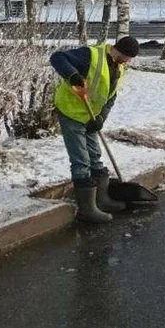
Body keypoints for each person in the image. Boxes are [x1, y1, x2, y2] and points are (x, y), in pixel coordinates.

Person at [50, 36, 141, 224]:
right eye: (126, 57)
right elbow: (57, 58)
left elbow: (110, 97)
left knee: (95, 155)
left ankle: (101, 199)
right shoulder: (90, 55)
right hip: (72, 111)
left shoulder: (119, 67)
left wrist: (101, 118)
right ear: (117, 50)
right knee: (81, 159)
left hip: (91, 116)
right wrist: (72, 75)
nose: (127, 61)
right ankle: (87, 209)